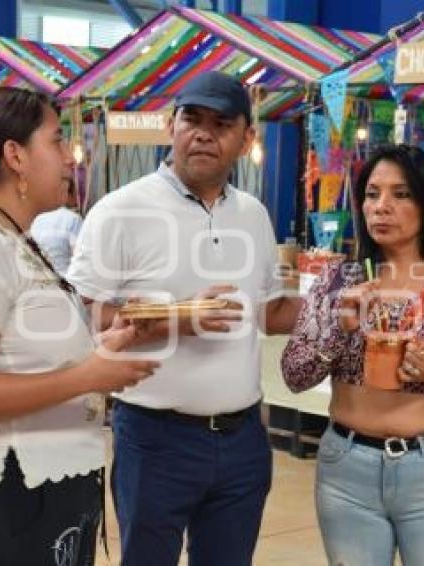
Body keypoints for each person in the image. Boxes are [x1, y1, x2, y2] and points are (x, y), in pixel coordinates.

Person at [0, 87, 157, 565]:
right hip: (6, 503)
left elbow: (27, 355)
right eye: (58, 140)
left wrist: (107, 343)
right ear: (15, 156)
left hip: (52, 492)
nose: (70, 157)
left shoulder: (17, 241)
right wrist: (89, 377)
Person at [67, 71, 301, 566]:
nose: (203, 133)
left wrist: (347, 302)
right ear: (170, 125)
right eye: (191, 118)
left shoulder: (253, 215)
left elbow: (269, 311)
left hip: (241, 441)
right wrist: (179, 317)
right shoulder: (119, 211)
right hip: (155, 439)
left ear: (246, 139)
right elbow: (95, 326)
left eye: (221, 123)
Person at [281, 145, 424, 566]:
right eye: (372, 194)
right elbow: (295, 374)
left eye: (400, 194)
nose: (381, 207)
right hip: (346, 470)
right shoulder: (340, 278)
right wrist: (339, 328)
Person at [31, 179, 83, 274]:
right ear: (68, 194)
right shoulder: (72, 219)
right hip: (65, 282)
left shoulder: (35, 219)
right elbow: (81, 258)